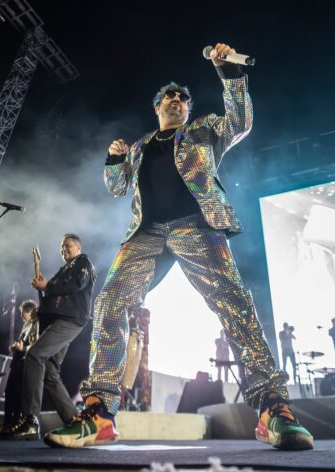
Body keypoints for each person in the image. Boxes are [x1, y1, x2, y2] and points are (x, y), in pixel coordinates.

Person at [44, 42, 312, 451]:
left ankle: (272, 408)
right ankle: (99, 413)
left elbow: (239, 121)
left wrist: (228, 74)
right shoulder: (139, 147)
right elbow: (116, 189)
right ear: (158, 106)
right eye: (171, 96)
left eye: (184, 97)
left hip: (196, 226)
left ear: (188, 108)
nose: (178, 100)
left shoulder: (204, 131)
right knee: (109, 303)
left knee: (232, 300)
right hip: (146, 234)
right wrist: (114, 160)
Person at [0, 234, 96, 440]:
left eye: (67, 246)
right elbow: (52, 297)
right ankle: (75, 422)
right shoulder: (64, 271)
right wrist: (44, 289)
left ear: (78, 247)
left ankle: (30, 420)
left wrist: (47, 286)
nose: (64, 250)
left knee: (34, 356)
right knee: (49, 371)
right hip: (60, 321)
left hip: (70, 320)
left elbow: (75, 284)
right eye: (61, 247)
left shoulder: (83, 262)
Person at [2, 300, 39, 427]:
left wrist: (21, 349)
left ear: (29, 312)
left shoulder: (36, 325)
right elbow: (23, 342)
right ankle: (7, 422)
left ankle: (14, 422)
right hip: (17, 362)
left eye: (22, 312)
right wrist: (15, 347)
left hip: (25, 363)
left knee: (17, 394)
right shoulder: (26, 325)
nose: (21, 315)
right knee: (9, 392)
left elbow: (36, 346)